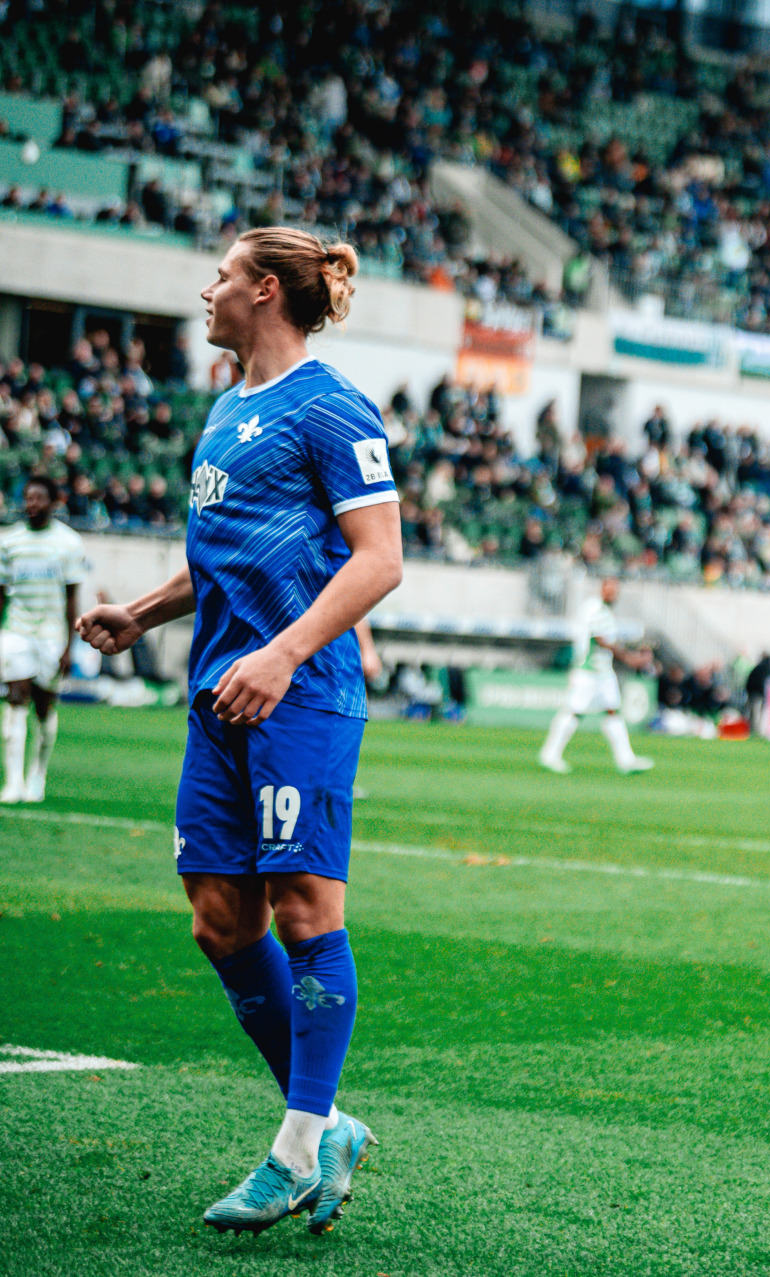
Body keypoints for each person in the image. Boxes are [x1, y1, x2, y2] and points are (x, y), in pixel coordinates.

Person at [74, 227, 401, 1235]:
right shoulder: (226, 408)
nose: (205, 289)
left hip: (298, 693)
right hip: (219, 693)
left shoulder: (332, 406)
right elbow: (219, 554)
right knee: (220, 919)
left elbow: (380, 558)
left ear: (263, 290)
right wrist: (143, 612)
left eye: (220, 275)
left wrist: (285, 653)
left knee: (304, 908)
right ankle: (329, 1124)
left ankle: (295, 1145)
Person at [0, 475, 86, 803]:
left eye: (38, 498)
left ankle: (38, 774)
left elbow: (72, 598)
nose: (31, 504)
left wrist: (69, 645)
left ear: (53, 502)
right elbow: (1, 595)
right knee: (15, 698)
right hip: (17, 631)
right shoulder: (9, 542)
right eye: (27, 498)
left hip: (51, 635)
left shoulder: (69, 543)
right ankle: (13, 783)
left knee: (44, 707)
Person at [539, 576, 655, 774]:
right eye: (609, 589)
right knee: (574, 711)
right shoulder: (595, 608)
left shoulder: (604, 610)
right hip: (589, 671)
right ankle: (550, 755)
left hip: (603, 672)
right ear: (602, 589)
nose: (613, 594)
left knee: (612, 712)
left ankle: (626, 760)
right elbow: (600, 639)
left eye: (615, 590)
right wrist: (628, 658)